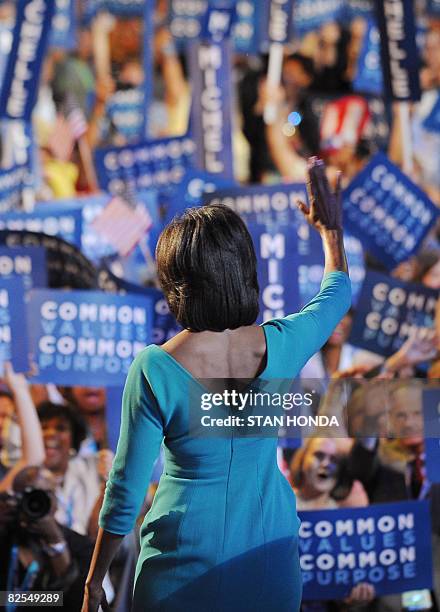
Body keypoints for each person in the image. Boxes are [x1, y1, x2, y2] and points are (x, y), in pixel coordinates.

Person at [82, 157, 352, 611]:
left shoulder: (155, 368)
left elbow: (126, 491)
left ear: (174, 284)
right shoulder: (282, 344)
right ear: (243, 269)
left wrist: (93, 582)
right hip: (269, 563)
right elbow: (337, 291)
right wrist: (331, 232)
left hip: (182, 571)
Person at [0, 466, 93, 612]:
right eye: (28, 495)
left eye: (44, 494)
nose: (35, 502)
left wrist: (55, 541)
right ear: (15, 499)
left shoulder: (82, 546)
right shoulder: (5, 536)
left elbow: (75, 602)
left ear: (56, 499)